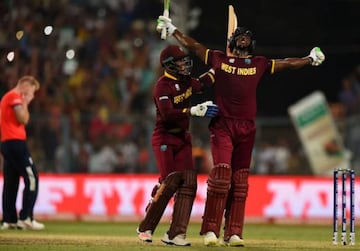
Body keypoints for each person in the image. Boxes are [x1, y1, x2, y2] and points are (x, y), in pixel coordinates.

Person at [156, 16, 325, 247]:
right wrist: (174, 30)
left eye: (248, 36)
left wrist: (309, 59)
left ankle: (234, 232)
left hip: (247, 127)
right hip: (223, 125)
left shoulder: (259, 63)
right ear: (232, 41)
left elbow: (286, 63)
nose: (244, 38)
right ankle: (211, 230)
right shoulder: (219, 59)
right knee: (222, 175)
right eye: (240, 35)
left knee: (240, 182)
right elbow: (195, 47)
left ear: (252, 43)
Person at [136, 45, 219, 246]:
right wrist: (192, 111)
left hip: (183, 138)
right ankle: (145, 227)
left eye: (184, 60)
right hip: (164, 138)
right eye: (180, 61)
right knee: (170, 181)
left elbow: (202, 83)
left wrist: (218, 67)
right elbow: (167, 114)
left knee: (189, 182)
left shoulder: (187, 81)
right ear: (169, 65)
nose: (184, 64)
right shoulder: (162, 86)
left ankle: (175, 234)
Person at [0, 75, 45, 230]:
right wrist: (25, 102)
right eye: (32, 92)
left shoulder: (7, 97)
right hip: (16, 143)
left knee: (11, 182)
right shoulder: (14, 97)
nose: (32, 96)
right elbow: (22, 119)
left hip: (6, 142)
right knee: (32, 178)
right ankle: (26, 217)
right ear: (26, 85)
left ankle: (9, 219)